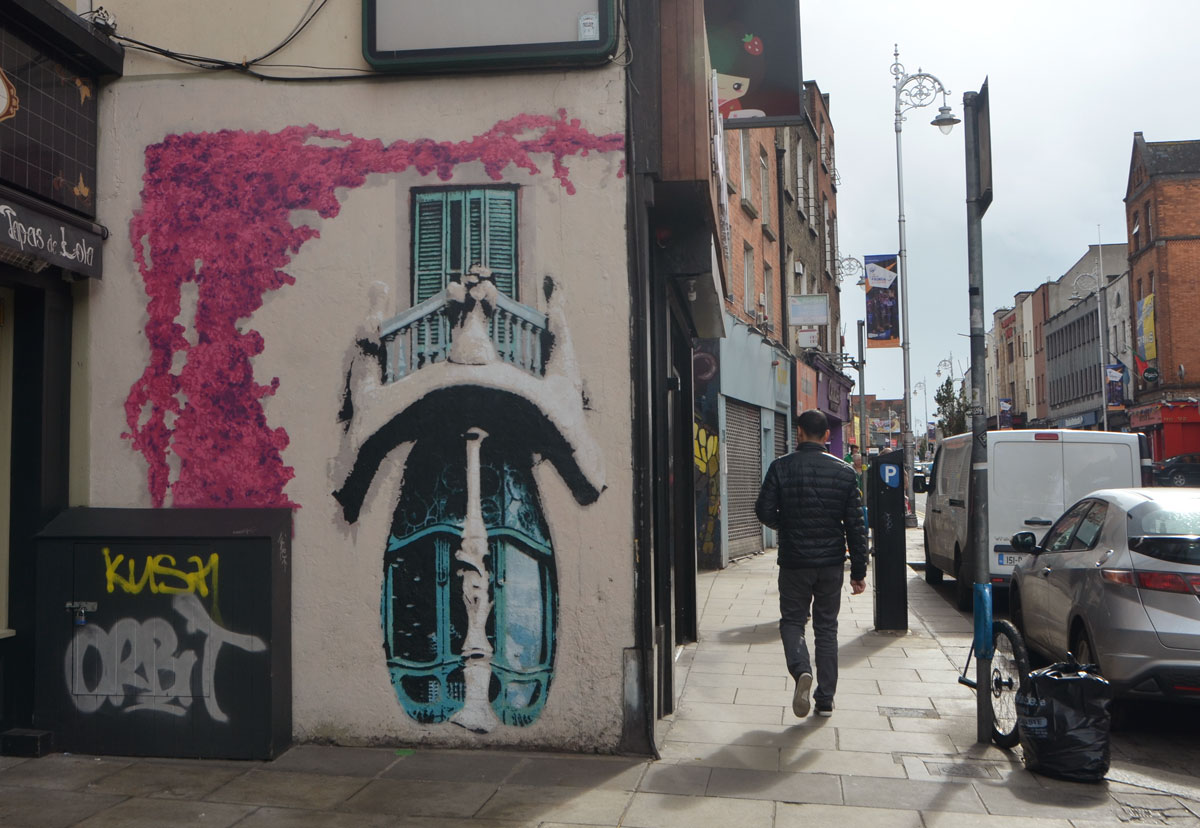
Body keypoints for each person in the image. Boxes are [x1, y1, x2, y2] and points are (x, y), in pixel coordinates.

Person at [755, 409, 868, 718]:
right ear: (827, 436)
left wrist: (786, 524)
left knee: (792, 622)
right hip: (831, 564)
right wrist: (858, 572)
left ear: (799, 433)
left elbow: (763, 510)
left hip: (794, 562)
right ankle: (826, 699)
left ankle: (801, 669)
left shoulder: (780, 467)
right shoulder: (845, 472)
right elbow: (856, 526)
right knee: (827, 629)